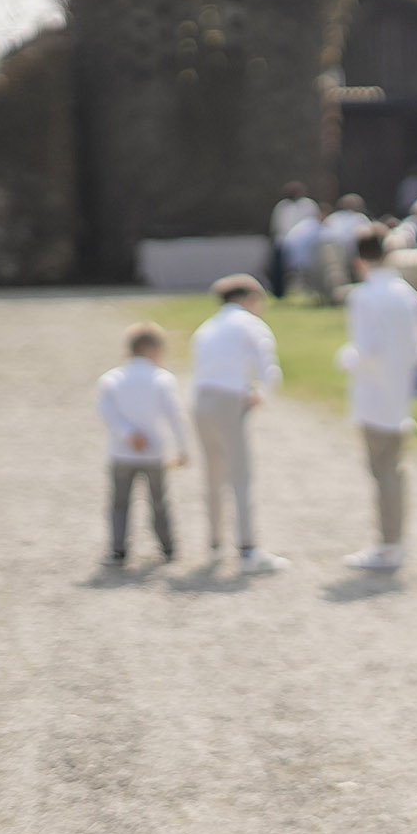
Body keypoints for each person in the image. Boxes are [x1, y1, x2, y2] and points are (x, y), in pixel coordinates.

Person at [337, 230, 417, 573]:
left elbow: (368, 350)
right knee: (393, 468)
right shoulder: (407, 294)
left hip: (375, 395)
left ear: (359, 260)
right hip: (400, 392)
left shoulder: (364, 296)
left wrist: (346, 358)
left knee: (383, 472)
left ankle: (389, 545)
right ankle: (394, 541)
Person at [189, 274, 291, 575]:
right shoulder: (249, 324)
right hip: (229, 399)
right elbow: (268, 368)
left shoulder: (207, 327)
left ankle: (215, 542)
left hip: (200, 399)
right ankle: (247, 548)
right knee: (240, 476)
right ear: (249, 298)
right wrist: (262, 394)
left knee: (212, 473)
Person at [95, 322, 191, 566]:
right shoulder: (162, 379)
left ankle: (118, 550)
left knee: (119, 503)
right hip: (154, 452)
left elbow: (108, 413)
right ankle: (167, 547)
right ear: (153, 350)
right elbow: (175, 416)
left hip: (121, 452)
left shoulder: (111, 378)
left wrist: (129, 434)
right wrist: (183, 448)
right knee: (158, 502)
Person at [269, 182, 320, 298]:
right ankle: (279, 293)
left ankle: (311, 293)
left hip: (304, 244)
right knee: (279, 270)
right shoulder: (282, 206)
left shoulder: (308, 205)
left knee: (306, 270)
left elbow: (312, 225)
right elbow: (276, 226)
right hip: (283, 242)